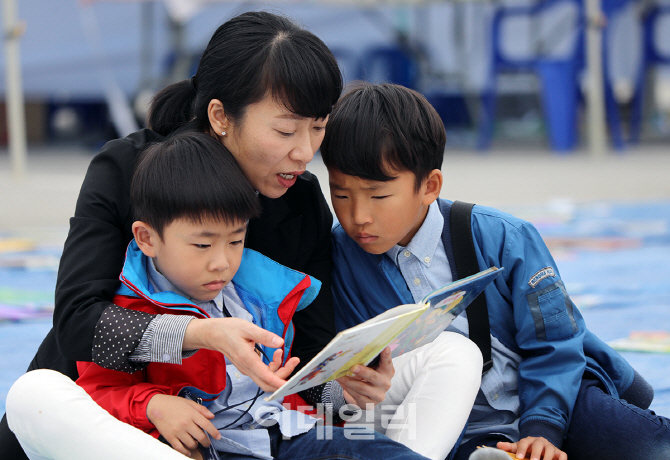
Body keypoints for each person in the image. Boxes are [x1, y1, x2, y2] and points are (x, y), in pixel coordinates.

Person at [2, 11, 392, 459]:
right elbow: (78, 325)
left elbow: (304, 357)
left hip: (244, 434)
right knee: (33, 395)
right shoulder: (126, 172)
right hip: (107, 422)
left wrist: (345, 392)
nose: (305, 152)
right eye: (286, 130)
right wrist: (201, 335)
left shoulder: (299, 202)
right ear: (221, 116)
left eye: (318, 127)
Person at [319, 82, 670, 460]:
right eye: (340, 194)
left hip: (557, 402)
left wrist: (543, 430)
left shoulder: (504, 238)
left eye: (378, 195)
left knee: (648, 448)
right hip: (456, 429)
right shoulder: (340, 260)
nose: (357, 216)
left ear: (429, 186)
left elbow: (555, 344)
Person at [65, 130, 425, 460]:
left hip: (288, 434)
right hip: (211, 447)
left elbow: (296, 386)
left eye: (236, 240)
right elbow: (92, 395)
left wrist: (344, 398)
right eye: (202, 244)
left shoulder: (261, 295)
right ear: (147, 239)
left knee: (384, 450)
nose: (221, 262)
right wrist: (154, 405)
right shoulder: (128, 314)